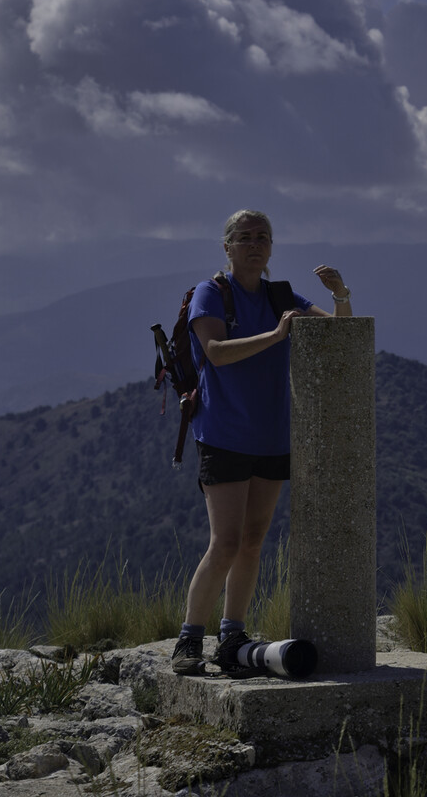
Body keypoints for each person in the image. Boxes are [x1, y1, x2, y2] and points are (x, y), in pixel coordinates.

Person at [170, 209, 353, 676]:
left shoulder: (280, 294)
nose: (254, 244)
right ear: (227, 247)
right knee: (226, 542)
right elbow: (215, 354)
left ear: (271, 248)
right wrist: (275, 335)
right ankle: (189, 639)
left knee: (252, 542)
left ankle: (231, 633)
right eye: (245, 237)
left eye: (262, 237)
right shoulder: (213, 293)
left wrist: (341, 296)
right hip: (224, 434)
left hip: (272, 436)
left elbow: (337, 333)